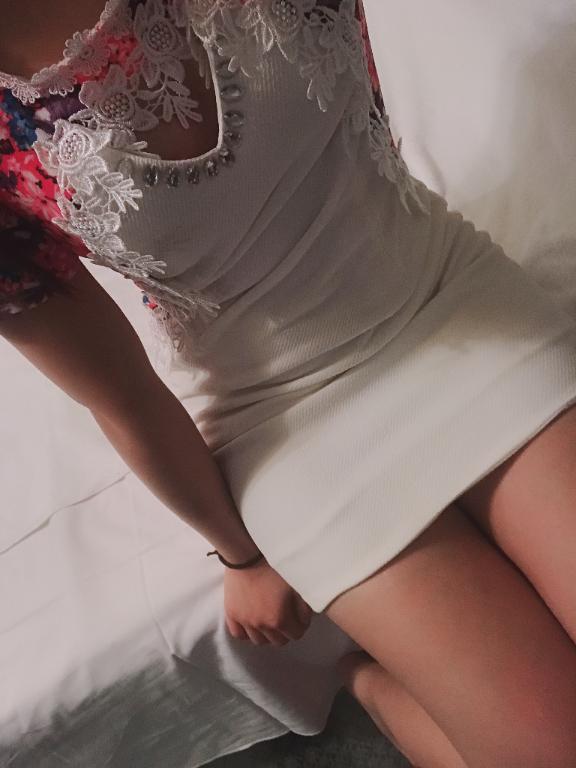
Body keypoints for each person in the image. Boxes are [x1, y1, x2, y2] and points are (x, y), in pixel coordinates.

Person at [1, 2, 576, 767]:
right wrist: (240, 557)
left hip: (444, 293)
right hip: (282, 421)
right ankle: (371, 684)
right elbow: (124, 397)